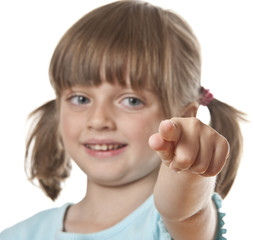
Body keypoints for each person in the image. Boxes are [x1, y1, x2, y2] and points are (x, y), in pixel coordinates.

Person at [0, 1, 245, 239]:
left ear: (186, 116)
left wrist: (189, 170)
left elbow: (186, 212)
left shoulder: (175, 226)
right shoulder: (19, 235)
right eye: (80, 99)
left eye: (131, 101)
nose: (98, 120)